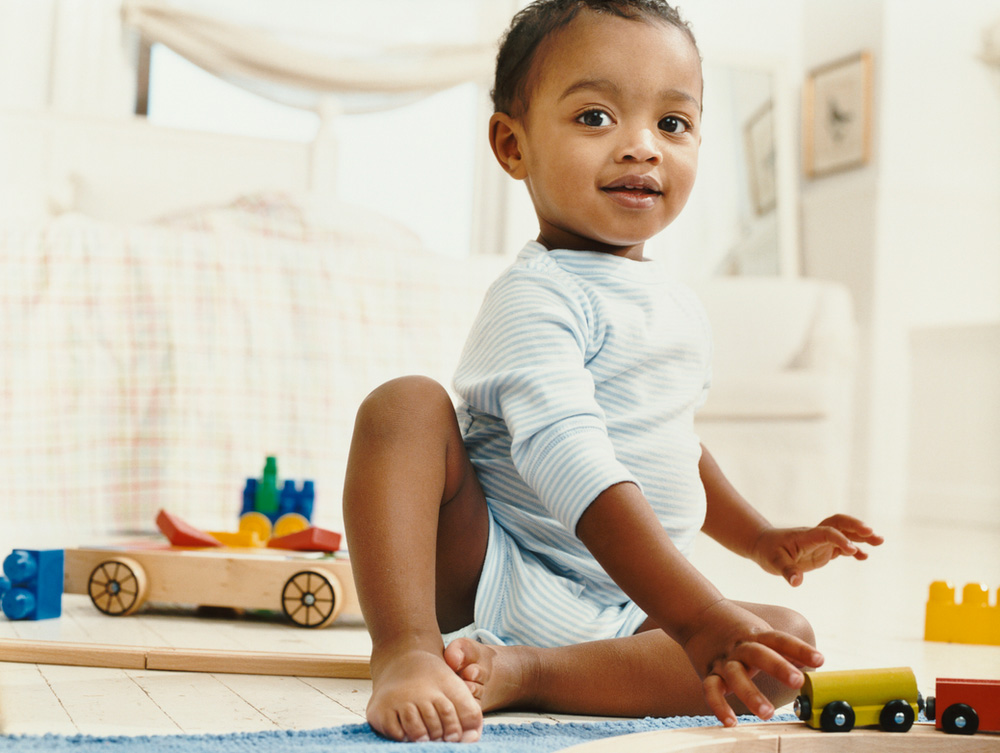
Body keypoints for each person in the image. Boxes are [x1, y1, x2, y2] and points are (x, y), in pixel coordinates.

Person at [342, 0, 883, 744]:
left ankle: (529, 671)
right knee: (403, 404)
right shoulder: (538, 296)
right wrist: (696, 614)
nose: (642, 148)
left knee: (779, 648)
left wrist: (760, 539)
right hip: (497, 563)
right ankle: (405, 648)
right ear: (512, 144)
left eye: (672, 123)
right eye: (595, 118)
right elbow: (570, 457)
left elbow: (673, 443)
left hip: (624, 605)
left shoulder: (675, 303)